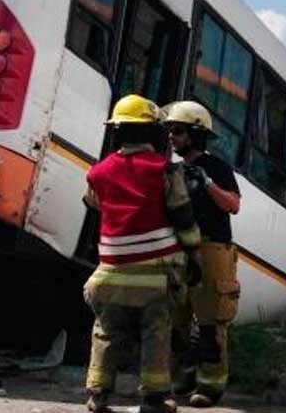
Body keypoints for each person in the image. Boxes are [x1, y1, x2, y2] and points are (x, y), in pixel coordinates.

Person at [83, 94, 203, 413]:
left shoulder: (98, 172)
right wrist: (195, 255)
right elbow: (183, 216)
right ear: (152, 132)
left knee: (105, 333)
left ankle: (97, 396)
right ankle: (153, 399)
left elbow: (94, 203)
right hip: (155, 276)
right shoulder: (164, 170)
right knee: (155, 334)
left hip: (109, 272)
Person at [162, 101, 241, 408]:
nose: (172, 137)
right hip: (179, 247)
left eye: (178, 131)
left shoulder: (217, 167)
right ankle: (182, 376)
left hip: (212, 248)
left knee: (211, 320)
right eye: (169, 131)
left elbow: (233, 205)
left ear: (196, 135)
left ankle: (210, 386)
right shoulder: (172, 168)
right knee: (175, 318)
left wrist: (206, 184)